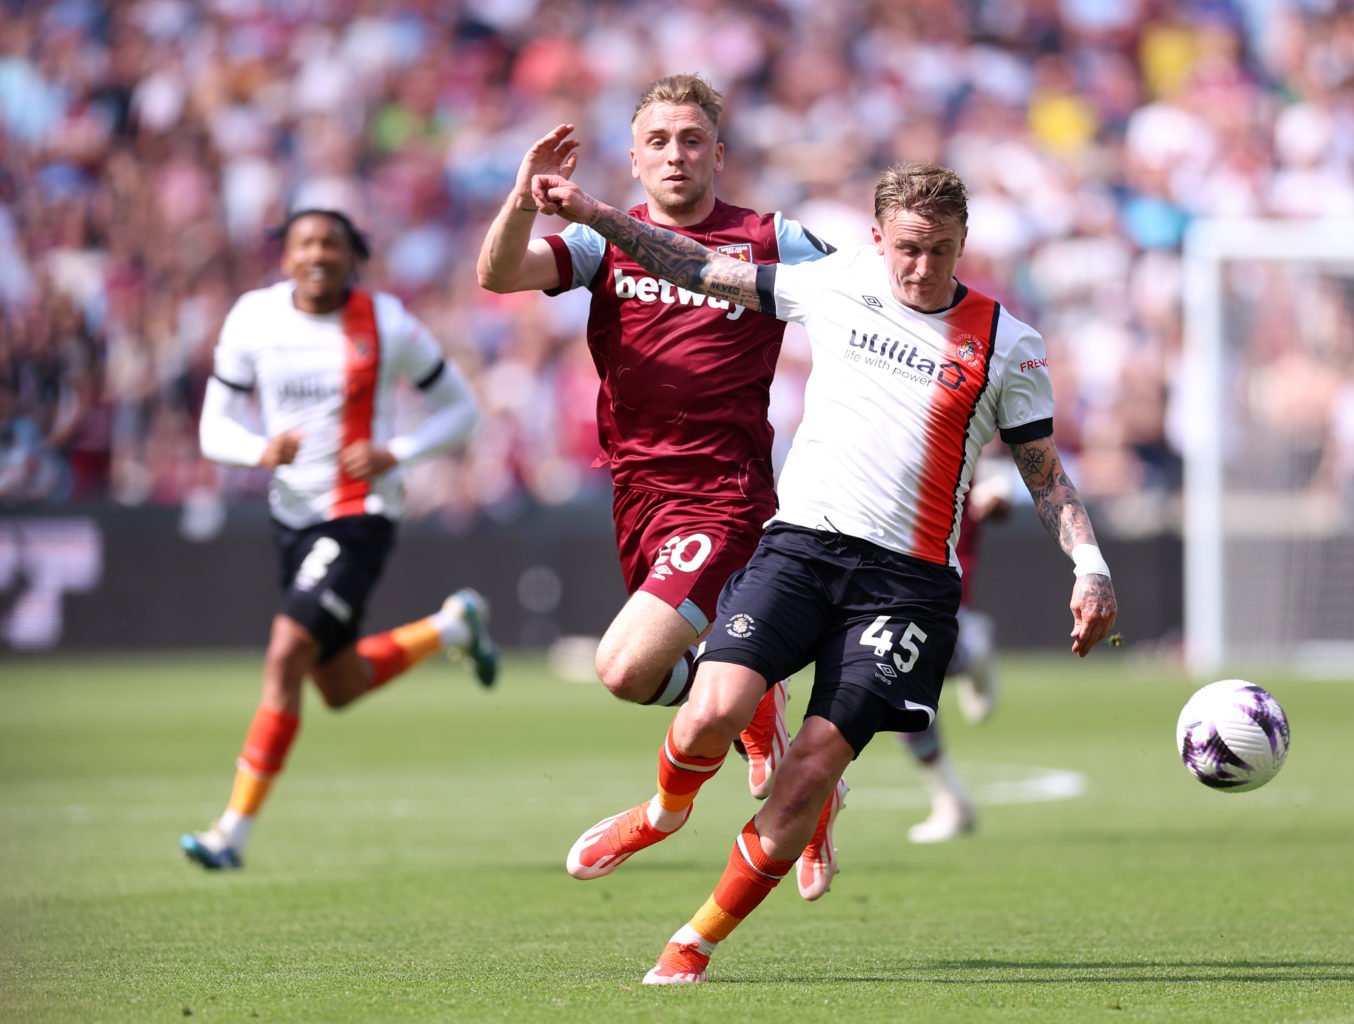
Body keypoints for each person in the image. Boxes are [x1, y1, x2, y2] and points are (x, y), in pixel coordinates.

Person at [530, 161, 1118, 983]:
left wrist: (1089, 566)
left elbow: (1043, 470)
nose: (922, 268)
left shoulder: (1007, 344)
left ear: (964, 245)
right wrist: (594, 213)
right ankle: (662, 815)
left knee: (808, 771)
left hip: (907, 589)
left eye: (941, 252)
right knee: (711, 714)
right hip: (801, 549)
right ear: (878, 239)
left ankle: (692, 943)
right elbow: (697, 266)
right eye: (908, 249)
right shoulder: (834, 283)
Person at [476, 76, 835, 811]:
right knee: (640, 679)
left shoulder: (772, 240)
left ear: (719, 155)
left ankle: (742, 718)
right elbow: (499, 273)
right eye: (659, 142)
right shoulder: (600, 242)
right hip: (638, 494)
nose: (677, 155)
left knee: (620, 666)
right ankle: (754, 705)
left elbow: (865, 303)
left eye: (693, 140)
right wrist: (521, 195)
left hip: (724, 497)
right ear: (636, 160)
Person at [180, 209, 496, 871]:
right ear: (286, 257)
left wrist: (396, 452)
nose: (317, 253)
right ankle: (451, 627)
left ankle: (231, 833)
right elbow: (214, 429)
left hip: (360, 515)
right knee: (339, 684)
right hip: (291, 518)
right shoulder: (254, 320)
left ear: (353, 255)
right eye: (305, 243)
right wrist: (260, 450)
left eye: (331, 243)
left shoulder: (387, 323)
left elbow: (461, 412)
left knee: (285, 653)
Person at [901, 465, 1017, 844]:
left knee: (897, 681)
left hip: (934, 591)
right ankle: (950, 800)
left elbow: (993, 479)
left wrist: (993, 493)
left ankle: (968, 650)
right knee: (891, 691)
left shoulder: (940, 445)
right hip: (886, 585)